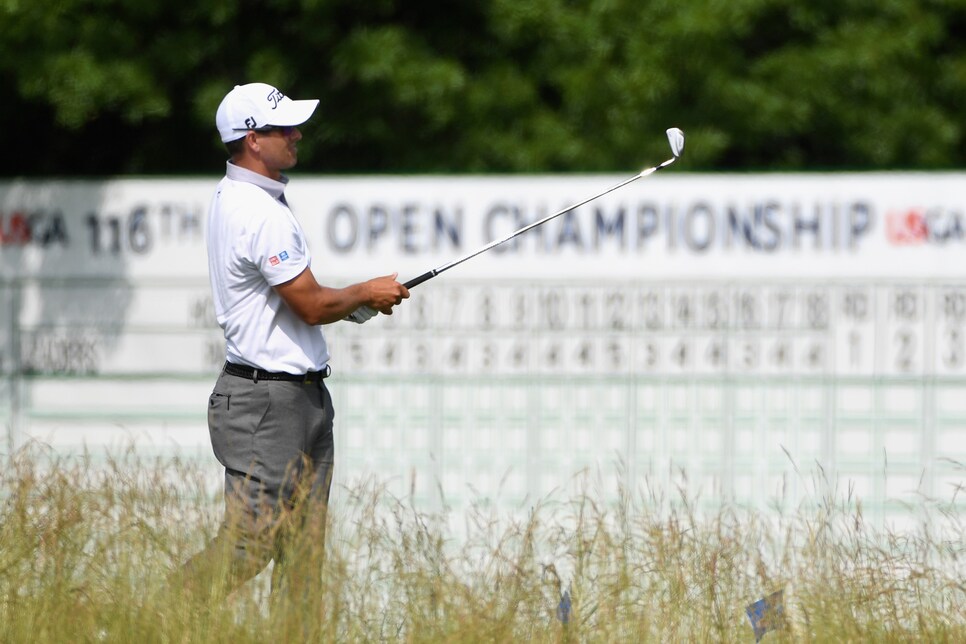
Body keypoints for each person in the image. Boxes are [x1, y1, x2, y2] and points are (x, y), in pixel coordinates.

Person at [178, 82, 409, 604]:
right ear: (253, 139)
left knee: (303, 560)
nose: (297, 134)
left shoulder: (245, 199)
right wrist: (364, 291)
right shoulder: (258, 212)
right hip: (268, 405)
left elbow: (292, 304)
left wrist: (354, 303)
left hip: (295, 398)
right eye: (284, 128)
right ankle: (148, 623)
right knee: (250, 544)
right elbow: (308, 305)